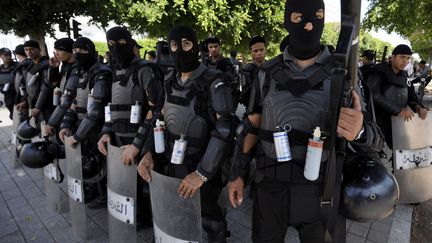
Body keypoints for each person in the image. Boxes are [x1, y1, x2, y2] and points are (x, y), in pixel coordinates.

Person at [227, 0, 380, 242]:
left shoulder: (346, 75)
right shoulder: (266, 73)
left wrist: (359, 131)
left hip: (322, 190)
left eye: (317, 15)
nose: (309, 26)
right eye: (299, 18)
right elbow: (251, 126)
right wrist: (238, 173)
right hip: (270, 187)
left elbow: (375, 139)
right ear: (287, 21)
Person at [137, 25, 236, 242]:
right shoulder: (168, 80)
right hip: (171, 164)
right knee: (175, 218)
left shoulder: (216, 81)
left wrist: (202, 174)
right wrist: (149, 153)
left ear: (196, 46)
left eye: (186, 44)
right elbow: (159, 119)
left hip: (203, 170)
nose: (180, 50)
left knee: (210, 223)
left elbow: (225, 129)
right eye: (174, 45)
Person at [97, 26, 163, 226]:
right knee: (127, 186)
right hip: (118, 140)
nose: (116, 48)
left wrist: (137, 145)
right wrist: (106, 131)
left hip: (141, 143)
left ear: (131, 43)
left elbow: (156, 110)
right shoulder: (115, 70)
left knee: (147, 189)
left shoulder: (145, 69)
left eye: (122, 43)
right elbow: (112, 104)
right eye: (110, 44)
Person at [368, 44, 428, 149]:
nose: (405, 61)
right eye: (402, 57)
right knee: (377, 153)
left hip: (398, 121)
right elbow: (374, 95)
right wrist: (398, 110)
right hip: (379, 121)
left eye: (408, 58)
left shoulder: (404, 75)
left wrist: (418, 107)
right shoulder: (379, 72)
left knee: (402, 150)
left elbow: (411, 96)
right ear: (393, 56)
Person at [44, 38, 79, 137]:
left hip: (74, 114)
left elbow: (68, 97)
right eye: (55, 51)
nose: (56, 54)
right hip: (65, 110)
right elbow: (54, 83)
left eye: (59, 51)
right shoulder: (66, 66)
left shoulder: (78, 67)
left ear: (70, 51)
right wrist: (53, 68)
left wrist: (52, 123)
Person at [16, 40, 51, 121]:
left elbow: (46, 88)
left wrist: (38, 106)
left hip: (46, 106)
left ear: (39, 49)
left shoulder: (46, 64)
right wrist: (25, 102)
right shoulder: (30, 65)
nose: (29, 52)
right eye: (26, 50)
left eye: (32, 49)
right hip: (33, 104)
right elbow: (28, 87)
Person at [240, 36, 268, 110]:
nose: (259, 53)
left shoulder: (272, 68)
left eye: (261, 50)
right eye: (255, 51)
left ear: (266, 50)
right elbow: (243, 96)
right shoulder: (246, 70)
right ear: (251, 52)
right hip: (253, 110)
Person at [0, 48, 18, 117]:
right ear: (0, 56)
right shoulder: (0, 68)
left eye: (10, 55)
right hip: (7, 97)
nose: (9, 57)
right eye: (6, 55)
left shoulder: (17, 66)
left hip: (18, 96)